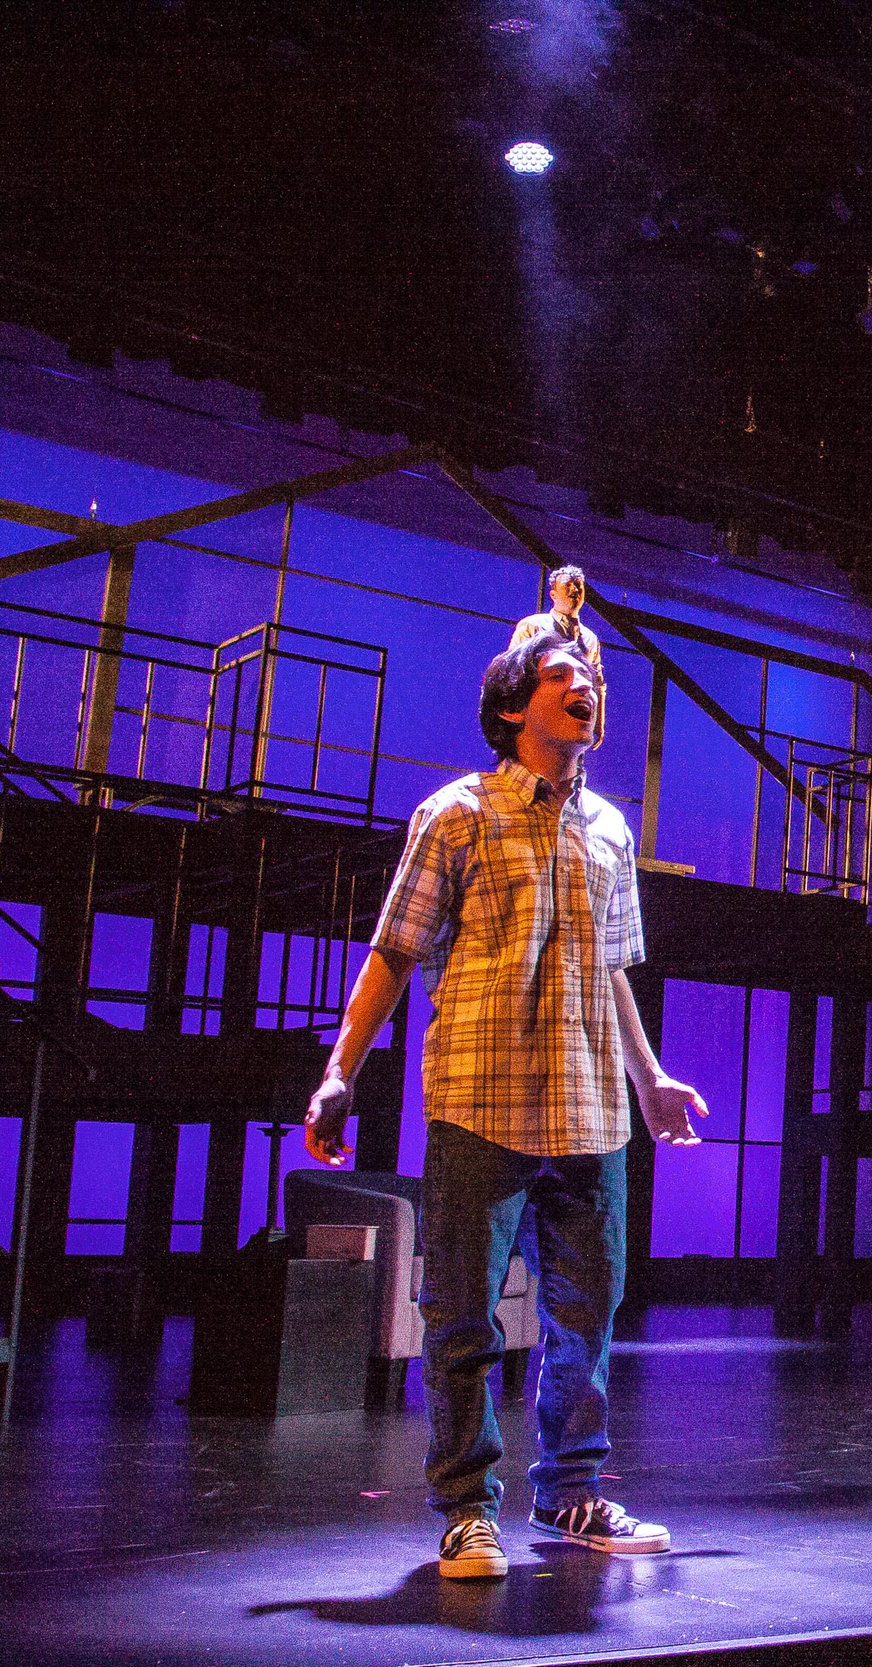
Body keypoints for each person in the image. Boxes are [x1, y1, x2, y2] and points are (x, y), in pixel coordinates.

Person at [304, 634, 709, 1580]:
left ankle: (571, 1491)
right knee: (462, 1316)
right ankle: (466, 1509)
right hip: (482, 1097)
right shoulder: (455, 814)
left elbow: (611, 969)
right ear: (513, 708)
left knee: (588, 1311)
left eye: (591, 678)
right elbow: (394, 950)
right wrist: (339, 1070)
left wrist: (649, 1077)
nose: (586, 686)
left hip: (591, 1106)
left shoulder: (610, 829)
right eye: (563, 676)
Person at [509, 565, 606, 745]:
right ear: (553, 594)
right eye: (568, 585)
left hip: (573, 719)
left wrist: (598, 723)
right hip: (537, 717)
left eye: (578, 585)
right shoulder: (533, 626)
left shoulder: (590, 639)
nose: (575, 590)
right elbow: (513, 671)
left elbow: (597, 683)